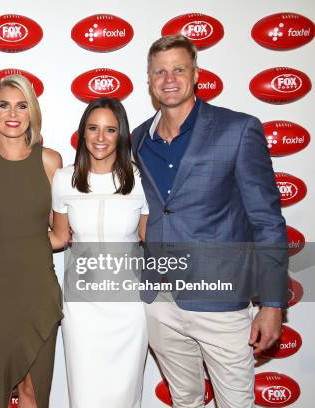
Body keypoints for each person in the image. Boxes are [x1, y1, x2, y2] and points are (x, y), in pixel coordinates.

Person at [131, 35, 288, 407]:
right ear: (149, 80)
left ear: (196, 74)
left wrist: (271, 304)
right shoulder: (139, 139)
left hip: (221, 300)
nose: (169, 79)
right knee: (185, 398)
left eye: (178, 69)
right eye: (160, 71)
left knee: (235, 401)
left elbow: (267, 221)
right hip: (159, 300)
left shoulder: (238, 129)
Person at [0, 74, 63, 408]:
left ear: (32, 113)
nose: (13, 113)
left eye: (22, 106)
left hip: (38, 288)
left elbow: (61, 234)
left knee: (34, 392)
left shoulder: (51, 162)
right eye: (4, 104)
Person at [50, 98, 149, 407]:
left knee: (125, 390)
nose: (101, 138)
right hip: (82, 306)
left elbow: (149, 237)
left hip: (130, 305)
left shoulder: (142, 180)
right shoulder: (64, 179)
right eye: (93, 128)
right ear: (83, 132)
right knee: (85, 391)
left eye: (110, 129)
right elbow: (58, 237)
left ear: (122, 134)